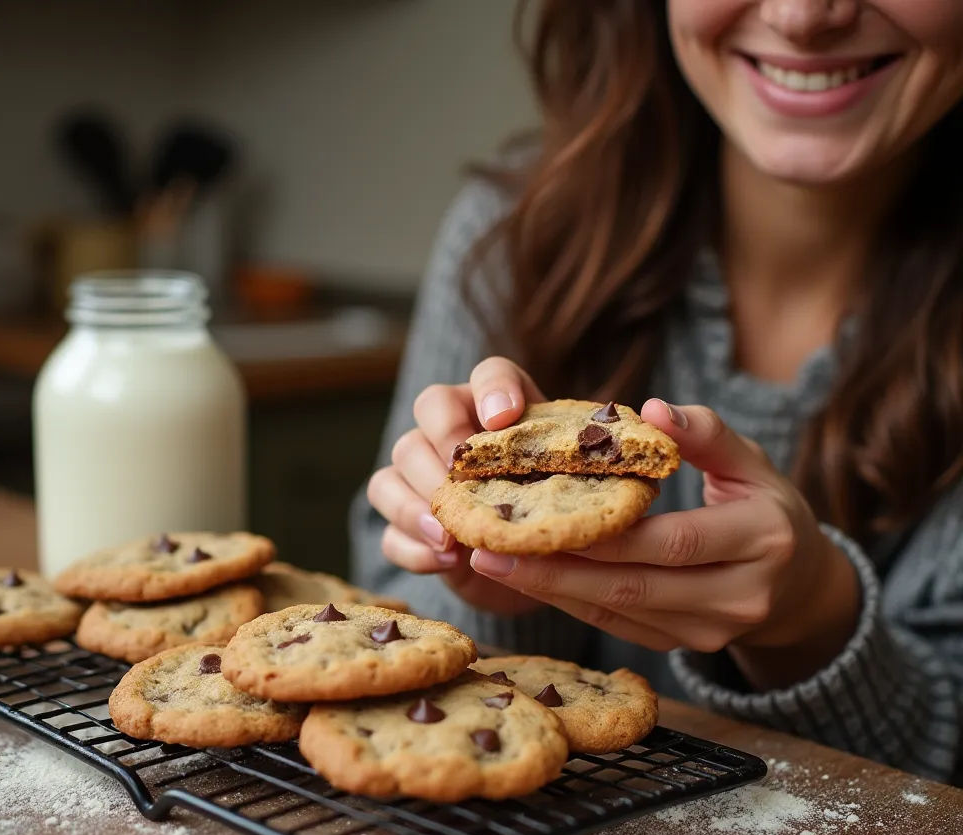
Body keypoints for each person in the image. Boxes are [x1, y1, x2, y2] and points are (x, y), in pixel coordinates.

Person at [352, 0, 963, 784]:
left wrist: (812, 620)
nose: (804, 16)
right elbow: (384, 634)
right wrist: (493, 582)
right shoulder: (516, 236)